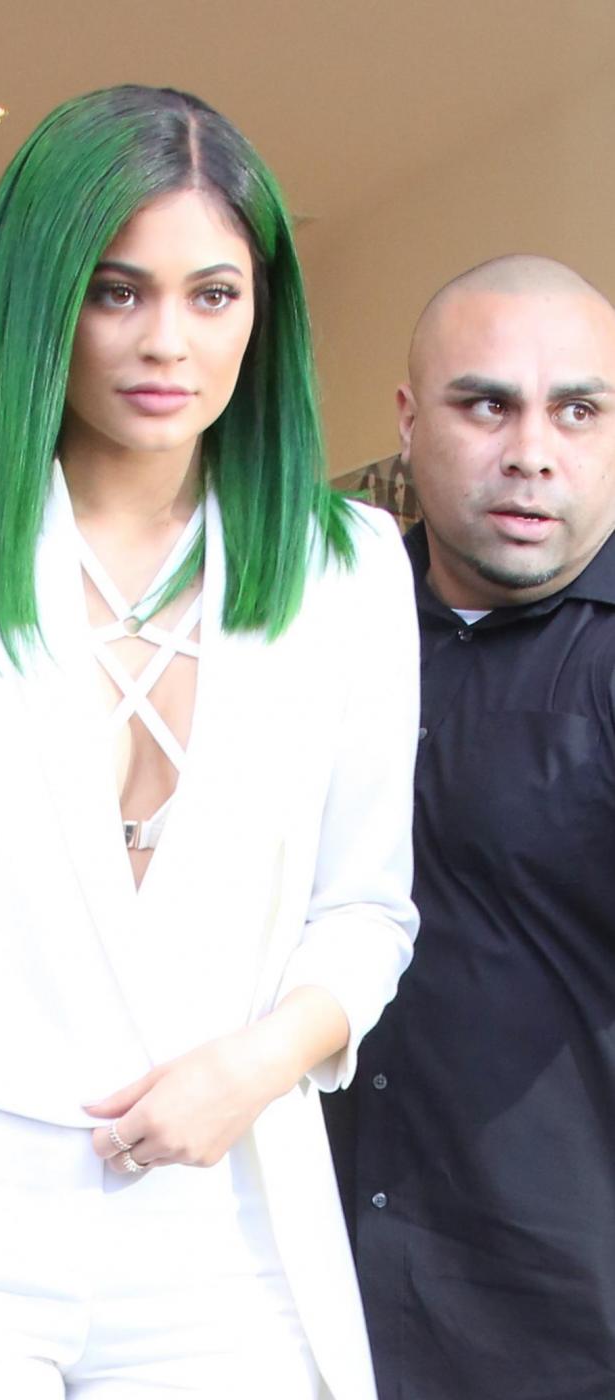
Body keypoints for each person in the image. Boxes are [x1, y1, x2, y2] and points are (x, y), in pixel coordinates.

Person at [0, 85, 419, 1400]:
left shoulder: (349, 566)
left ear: (261, 310)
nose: (167, 340)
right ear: (42, 299)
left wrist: (253, 1066)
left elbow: (365, 910)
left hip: (225, 1226)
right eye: (116, 291)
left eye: (213, 294)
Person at [323, 254, 615, 1400]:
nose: (531, 451)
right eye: (486, 404)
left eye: (577, 410)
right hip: (299, 1295)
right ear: (408, 419)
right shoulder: (315, 628)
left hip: (557, 1328)